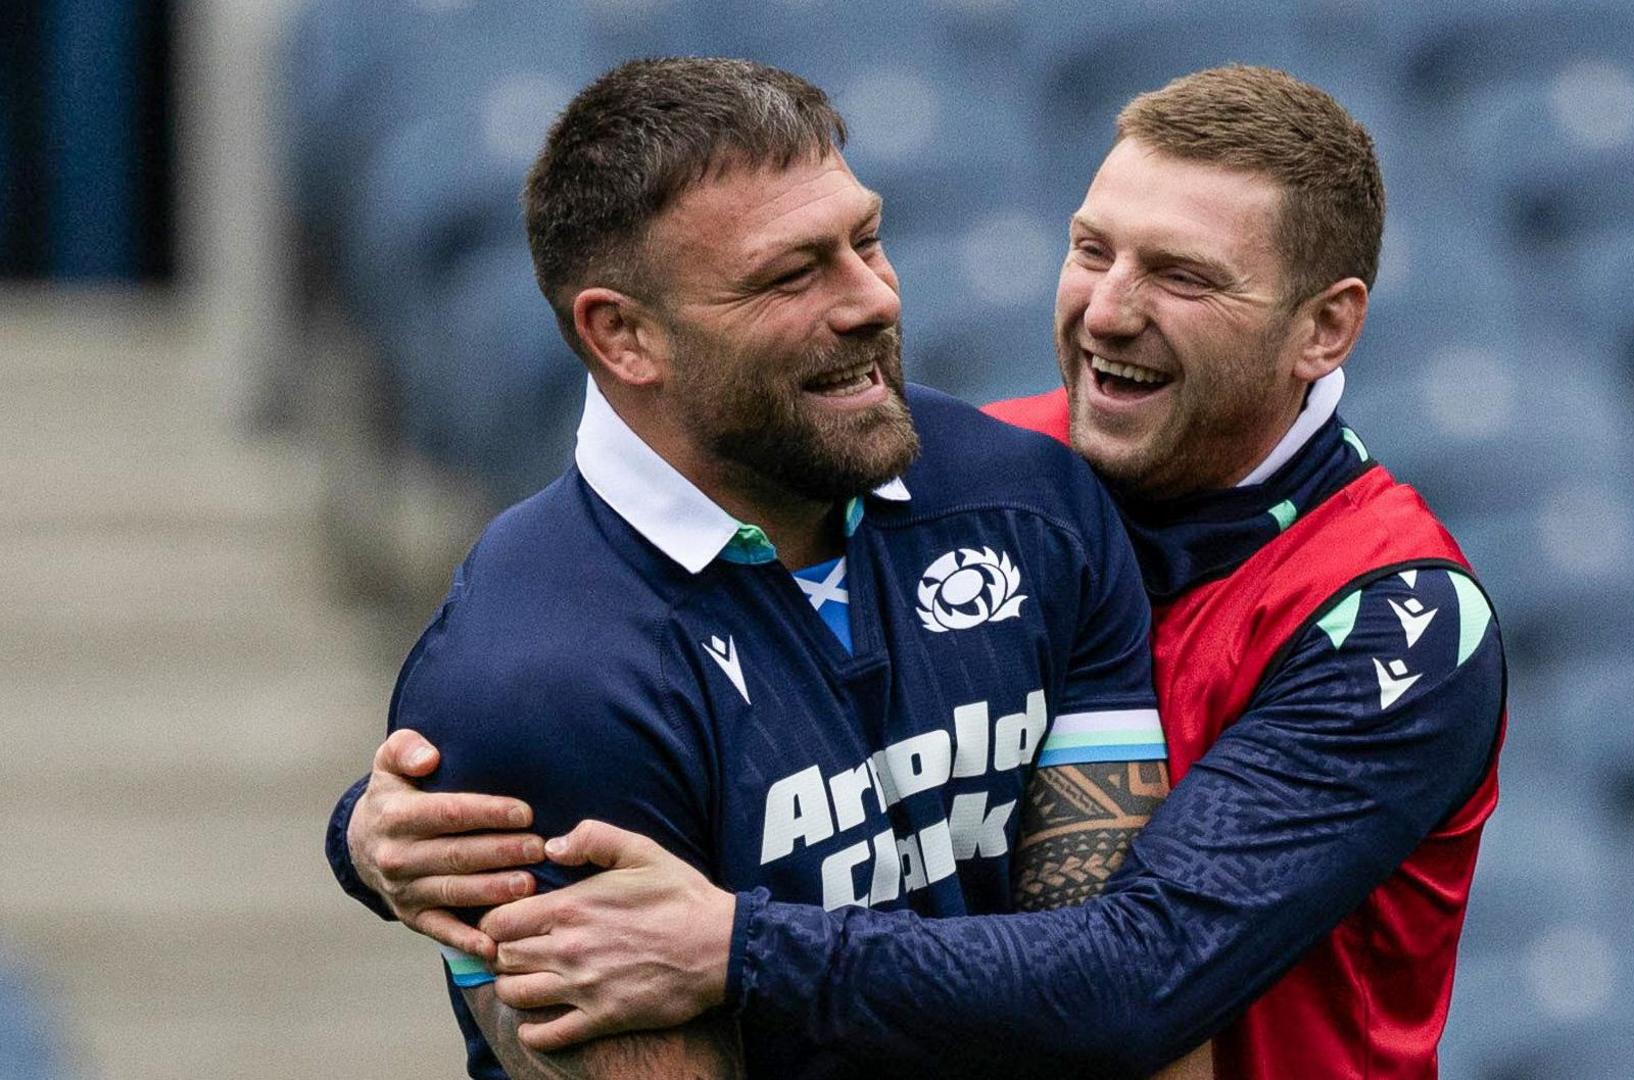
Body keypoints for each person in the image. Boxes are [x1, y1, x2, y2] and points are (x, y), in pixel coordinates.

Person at [335, 64, 1507, 1079]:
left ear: (1327, 328)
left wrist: (734, 946)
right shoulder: (997, 483)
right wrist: (381, 835)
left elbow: (1142, 981)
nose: (1109, 310)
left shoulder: (1397, 618)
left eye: (1184, 278)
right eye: (1092, 250)